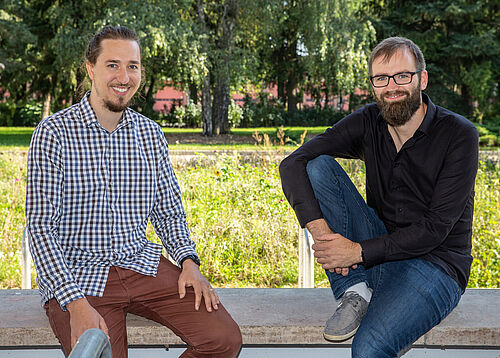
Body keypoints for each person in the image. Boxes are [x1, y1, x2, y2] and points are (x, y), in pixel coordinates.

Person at [25, 25, 242, 358]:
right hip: (79, 276)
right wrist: (75, 304)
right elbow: (40, 229)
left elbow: (168, 209)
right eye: (112, 64)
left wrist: (188, 261)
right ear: (90, 68)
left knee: (223, 340)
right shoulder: (54, 133)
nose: (123, 76)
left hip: (141, 265)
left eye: (132, 66)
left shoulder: (149, 133)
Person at [279, 36, 478, 357]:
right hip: (378, 253)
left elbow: (435, 228)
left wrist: (356, 250)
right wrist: (324, 236)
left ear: (421, 79)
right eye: (381, 79)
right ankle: (355, 290)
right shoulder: (368, 121)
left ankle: (379, 296)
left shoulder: (458, 134)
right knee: (317, 166)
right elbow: (292, 164)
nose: (392, 87)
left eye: (403, 76)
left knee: (369, 349)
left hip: (436, 267)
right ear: (372, 85)